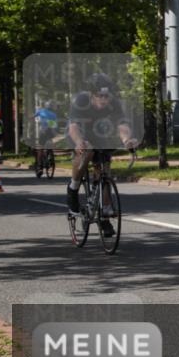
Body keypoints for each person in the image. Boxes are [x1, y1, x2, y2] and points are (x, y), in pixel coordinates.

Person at [66, 73, 137, 237]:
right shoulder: (81, 101)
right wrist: (78, 142)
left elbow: (122, 124)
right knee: (88, 150)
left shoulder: (115, 104)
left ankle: (104, 215)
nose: (104, 100)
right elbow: (74, 126)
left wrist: (126, 140)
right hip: (78, 132)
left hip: (98, 133)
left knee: (104, 169)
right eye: (100, 96)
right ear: (92, 94)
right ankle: (73, 187)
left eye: (107, 96)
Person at [33, 100, 59, 176]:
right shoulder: (54, 114)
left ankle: (40, 167)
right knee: (49, 142)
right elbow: (54, 125)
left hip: (43, 131)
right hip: (51, 132)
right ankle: (50, 154)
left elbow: (33, 117)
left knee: (40, 148)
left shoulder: (41, 111)